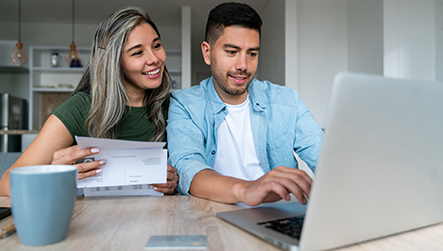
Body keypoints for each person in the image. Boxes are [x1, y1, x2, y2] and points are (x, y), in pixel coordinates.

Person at [0, 6, 178, 196]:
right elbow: (6, 184)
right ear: (114, 62)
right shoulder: (79, 109)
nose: (155, 58)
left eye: (156, 45)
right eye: (137, 53)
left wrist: (175, 182)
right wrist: (54, 176)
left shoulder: (175, 107)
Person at [167, 2, 323, 206]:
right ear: (207, 53)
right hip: (214, 215)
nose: (243, 66)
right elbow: (188, 168)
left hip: (280, 214)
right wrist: (247, 189)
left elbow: (325, 158)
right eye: (231, 52)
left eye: (252, 53)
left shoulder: (286, 101)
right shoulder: (184, 104)